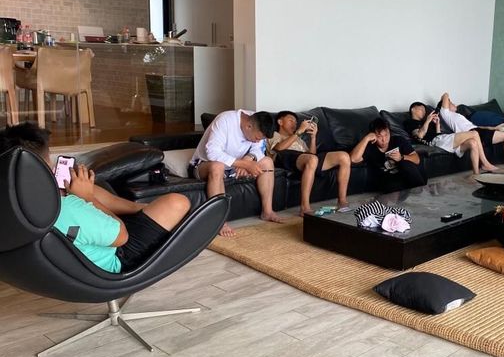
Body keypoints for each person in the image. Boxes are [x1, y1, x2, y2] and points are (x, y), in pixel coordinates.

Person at [0, 123, 191, 274]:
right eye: (48, 159)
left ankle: (140, 209)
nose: (52, 164)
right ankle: (144, 211)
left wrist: (82, 194)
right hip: (112, 263)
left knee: (81, 186)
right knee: (177, 202)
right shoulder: (67, 207)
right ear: (35, 167)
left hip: (60, 266)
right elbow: (122, 237)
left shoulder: (12, 203)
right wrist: (86, 198)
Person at [190, 109, 282, 237]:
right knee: (217, 166)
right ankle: (219, 221)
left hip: (233, 166)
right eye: (256, 138)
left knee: (267, 162)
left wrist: (248, 159)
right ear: (248, 126)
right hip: (204, 164)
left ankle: (267, 211)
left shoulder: (256, 121)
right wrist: (243, 164)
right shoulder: (225, 120)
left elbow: (258, 150)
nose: (257, 141)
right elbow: (212, 152)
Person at [268, 111, 351, 215]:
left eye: (296, 122)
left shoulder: (299, 140)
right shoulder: (273, 135)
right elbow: (279, 148)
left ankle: (342, 201)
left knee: (344, 156)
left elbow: (312, 154)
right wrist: (299, 131)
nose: (294, 124)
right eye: (290, 120)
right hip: (284, 157)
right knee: (312, 160)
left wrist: (313, 137)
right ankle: (304, 207)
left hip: (304, 159)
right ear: (280, 122)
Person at [406, 99, 498, 176]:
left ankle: (476, 174)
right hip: (437, 141)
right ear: (413, 109)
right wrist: (427, 121)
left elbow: (438, 135)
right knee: (474, 133)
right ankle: (485, 163)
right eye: (421, 109)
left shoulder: (425, 122)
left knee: (472, 142)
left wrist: (437, 124)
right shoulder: (410, 122)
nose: (424, 112)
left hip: (442, 139)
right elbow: (420, 135)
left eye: (424, 110)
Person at [436, 92, 504, 169]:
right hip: (471, 133)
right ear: (446, 105)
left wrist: (494, 128)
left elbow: (476, 126)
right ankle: (485, 164)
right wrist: (446, 100)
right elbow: (445, 95)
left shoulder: (458, 115)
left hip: (478, 130)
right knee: (478, 133)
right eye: (451, 103)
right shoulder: (445, 113)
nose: (454, 104)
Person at [350, 117, 427, 191]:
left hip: (406, 174)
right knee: (389, 184)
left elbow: (417, 159)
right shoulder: (370, 146)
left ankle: (420, 189)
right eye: (379, 136)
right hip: (389, 181)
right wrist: (366, 138)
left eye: (386, 135)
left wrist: (401, 157)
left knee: (405, 163)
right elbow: (353, 159)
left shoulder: (399, 140)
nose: (384, 140)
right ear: (373, 135)